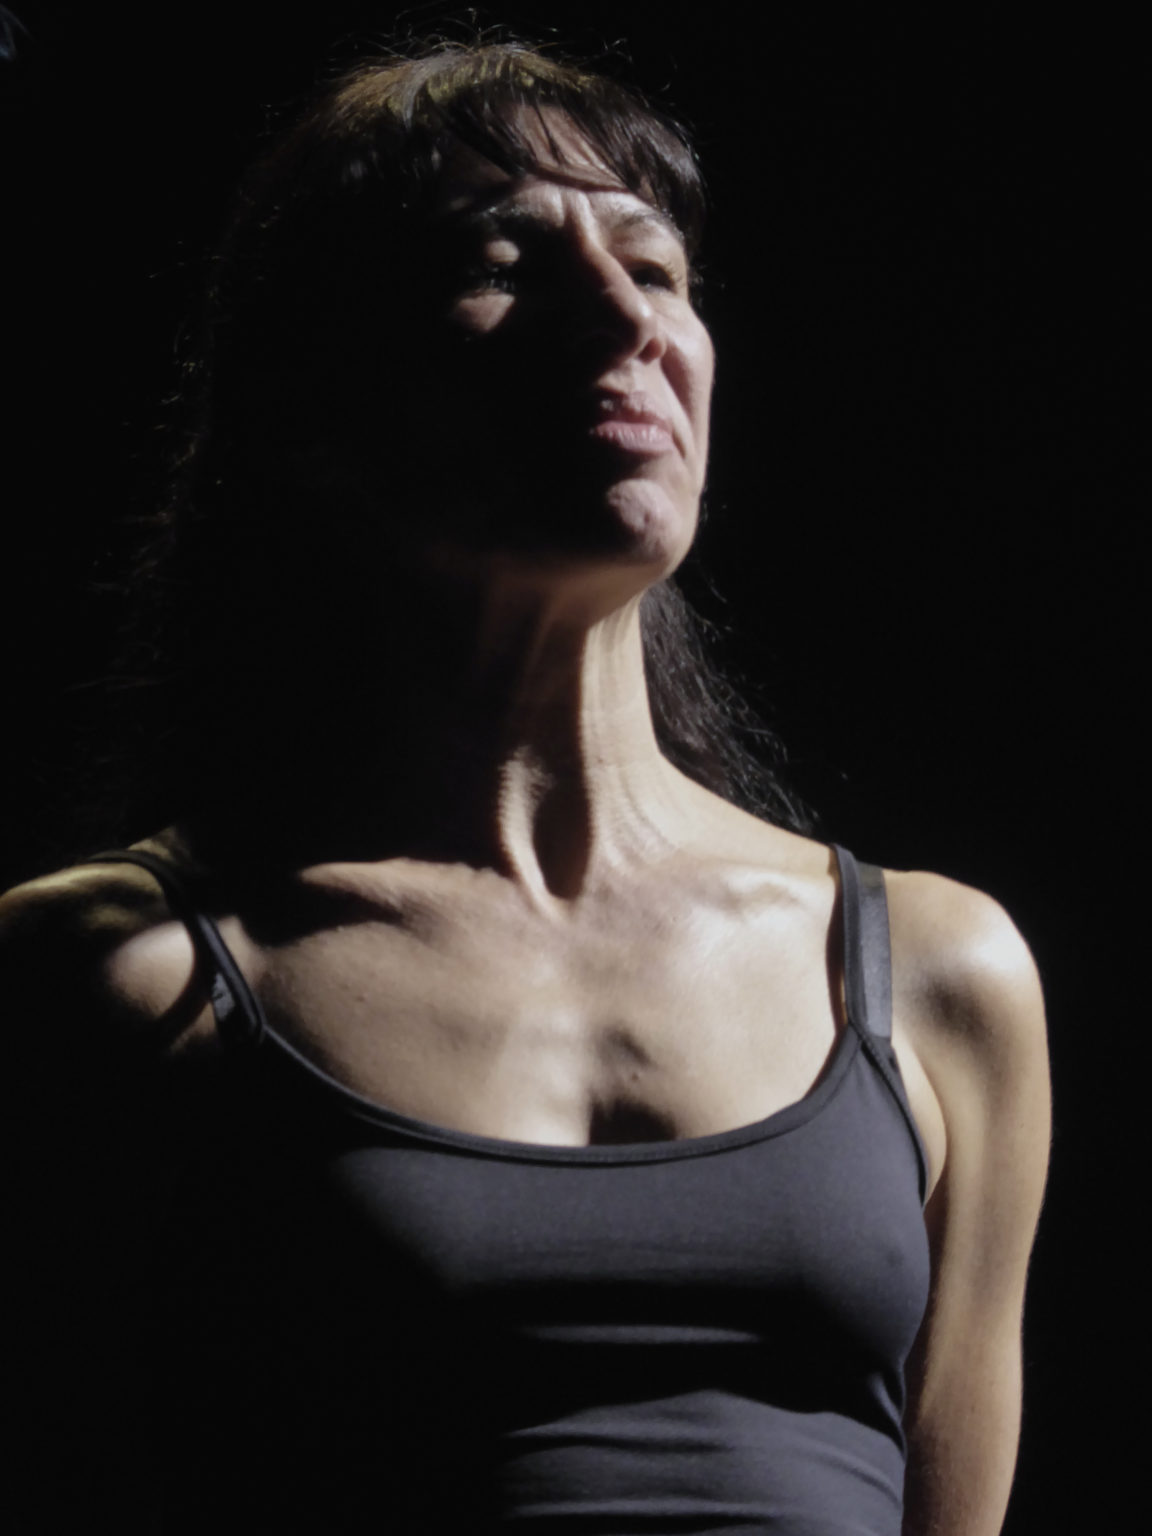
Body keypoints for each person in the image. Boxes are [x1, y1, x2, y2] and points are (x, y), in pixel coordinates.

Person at [4, 40, 1049, 1535]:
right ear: (311, 401)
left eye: (658, 267)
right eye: (504, 264)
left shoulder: (938, 976)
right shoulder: (116, 977)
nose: (627, 318)